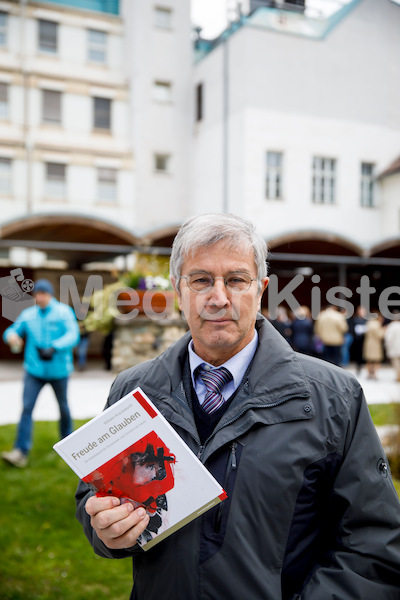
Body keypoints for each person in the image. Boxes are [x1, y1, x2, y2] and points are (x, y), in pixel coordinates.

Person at [75, 214, 400, 600]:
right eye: (200, 280)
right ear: (179, 292)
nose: (218, 298)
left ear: (259, 290)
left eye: (235, 280)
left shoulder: (334, 397)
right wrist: (107, 531)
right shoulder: (133, 390)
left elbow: (374, 543)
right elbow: (93, 496)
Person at [2, 278, 80, 467]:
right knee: (26, 408)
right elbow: (13, 330)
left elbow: (73, 335)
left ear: (50, 294)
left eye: (43, 294)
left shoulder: (64, 312)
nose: (39, 297)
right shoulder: (29, 314)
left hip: (59, 371)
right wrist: (11, 336)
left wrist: (54, 347)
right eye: (36, 294)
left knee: (63, 407)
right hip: (34, 371)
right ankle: (20, 452)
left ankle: (70, 448)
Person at [363, 314, 386, 380]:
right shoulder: (377, 324)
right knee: (376, 360)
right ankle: (375, 375)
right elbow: (379, 335)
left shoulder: (368, 323)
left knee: (369, 360)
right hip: (375, 344)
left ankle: (369, 374)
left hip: (368, 343)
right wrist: (384, 330)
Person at [385, 311, 400, 382]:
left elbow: (388, 338)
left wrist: (386, 346)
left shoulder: (391, 326)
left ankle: (398, 377)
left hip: (394, 348)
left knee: (396, 364)